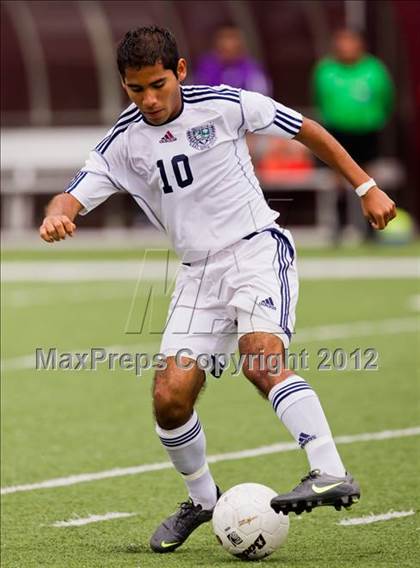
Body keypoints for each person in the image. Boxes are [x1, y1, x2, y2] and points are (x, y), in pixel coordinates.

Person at [39, 26, 396, 554]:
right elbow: (70, 196)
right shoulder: (123, 139)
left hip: (255, 250)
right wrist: (57, 217)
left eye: (158, 84)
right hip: (196, 274)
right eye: (136, 89)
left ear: (180, 71)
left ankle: (329, 470)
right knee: (169, 399)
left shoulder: (226, 105)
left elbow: (307, 130)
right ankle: (203, 500)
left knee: (260, 361)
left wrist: (366, 187)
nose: (149, 99)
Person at [312, 28, 395, 242]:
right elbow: (320, 99)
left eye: (350, 42)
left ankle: (372, 227)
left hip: (366, 132)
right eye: (342, 42)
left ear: (360, 44)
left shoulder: (374, 69)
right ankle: (338, 227)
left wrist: (373, 118)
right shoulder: (326, 70)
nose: (346, 47)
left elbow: (386, 99)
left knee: (368, 177)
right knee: (337, 180)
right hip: (337, 132)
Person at [194, 23, 271, 95]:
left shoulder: (253, 71)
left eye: (231, 38)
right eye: (221, 38)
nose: (226, 44)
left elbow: (260, 98)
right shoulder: (206, 68)